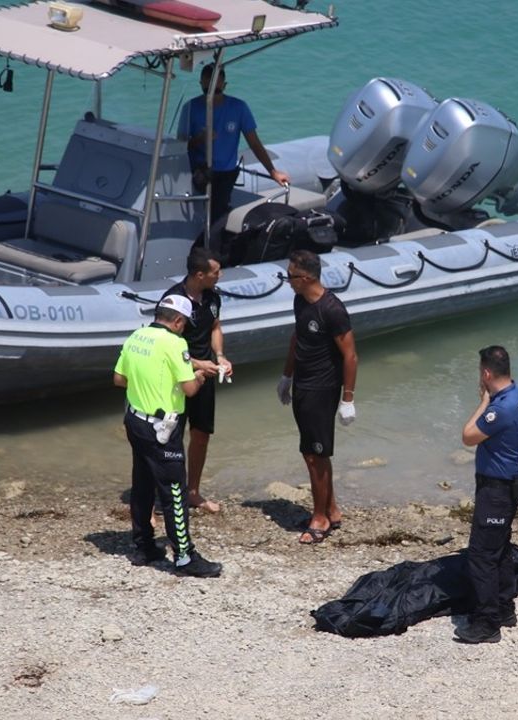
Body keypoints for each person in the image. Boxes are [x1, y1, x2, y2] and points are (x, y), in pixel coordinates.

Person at [112, 294, 223, 578]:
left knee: (142, 482)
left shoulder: (137, 336)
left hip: (135, 420)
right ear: (177, 321)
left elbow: (119, 379)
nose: (184, 328)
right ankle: (185, 557)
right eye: (184, 323)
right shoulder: (175, 343)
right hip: (162, 428)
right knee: (175, 490)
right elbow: (188, 390)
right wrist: (199, 376)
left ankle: (144, 546)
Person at [276, 249, 357, 544]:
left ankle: (320, 518)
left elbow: (350, 356)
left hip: (323, 389)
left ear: (306, 277)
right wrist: (287, 375)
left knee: (316, 455)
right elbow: (297, 337)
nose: (288, 281)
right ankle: (331, 510)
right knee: (311, 452)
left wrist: (347, 399)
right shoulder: (300, 301)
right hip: (303, 386)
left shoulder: (332, 309)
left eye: (291, 276)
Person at [455, 345, 518, 644]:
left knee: (482, 555)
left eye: (480, 374)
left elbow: (467, 435)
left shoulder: (500, 408)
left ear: (486, 373)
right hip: (510, 483)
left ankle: (487, 623)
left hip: (497, 489)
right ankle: (505, 608)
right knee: (499, 549)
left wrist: (483, 402)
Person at [178, 63, 291, 226]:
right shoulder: (190, 108)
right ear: (201, 83)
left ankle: (215, 239)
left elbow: (254, 143)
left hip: (226, 172)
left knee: (218, 210)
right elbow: (180, 146)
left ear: (224, 85)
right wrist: (200, 139)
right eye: (207, 86)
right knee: (206, 205)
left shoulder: (238, 108)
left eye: (216, 87)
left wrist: (272, 172)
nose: (212, 93)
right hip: (198, 169)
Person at [164, 246, 231, 514]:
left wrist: (220, 356)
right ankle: (170, 493)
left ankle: (193, 491)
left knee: (201, 433)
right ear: (199, 274)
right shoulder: (173, 300)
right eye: (216, 272)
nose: (220, 275)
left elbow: (215, 327)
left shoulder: (212, 297)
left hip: (205, 375)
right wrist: (196, 363)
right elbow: (165, 348)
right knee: (171, 436)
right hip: (177, 378)